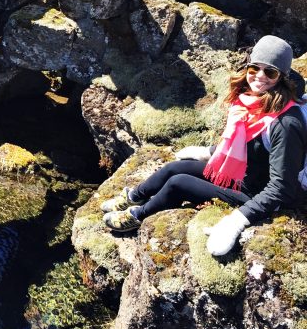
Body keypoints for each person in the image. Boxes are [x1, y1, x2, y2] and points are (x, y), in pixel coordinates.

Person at [102, 36, 307, 257]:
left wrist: (237, 220)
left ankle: (137, 216)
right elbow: (246, 146)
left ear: (282, 77)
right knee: (175, 167)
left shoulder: (286, 123)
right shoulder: (254, 101)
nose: (259, 76)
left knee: (178, 183)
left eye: (270, 72)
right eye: (255, 68)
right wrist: (208, 152)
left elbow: (281, 188)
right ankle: (133, 196)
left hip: (259, 194)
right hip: (244, 175)